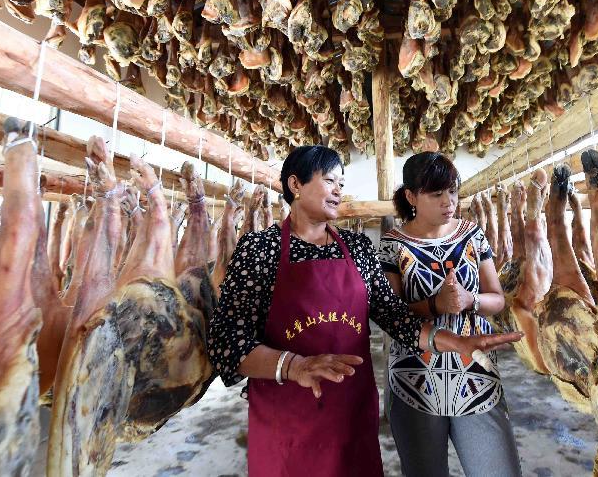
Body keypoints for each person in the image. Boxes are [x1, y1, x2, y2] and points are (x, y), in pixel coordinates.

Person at [207, 146, 522, 477]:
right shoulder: (260, 250)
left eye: (341, 182)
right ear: (295, 185)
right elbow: (227, 343)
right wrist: (294, 366)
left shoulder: (357, 250)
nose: (338, 190)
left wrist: (453, 342)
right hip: (288, 420)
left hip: (350, 412)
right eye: (329, 180)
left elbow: (394, 316)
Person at [378, 152, 523, 477]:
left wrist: (471, 299)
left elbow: (497, 299)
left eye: (453, 191)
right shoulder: (391, 245)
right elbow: (388, 311)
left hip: (476, 378)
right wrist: (435, 305)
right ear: (412, 196)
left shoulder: (472, 235)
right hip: (415, 381)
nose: (449, 201)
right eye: (437, 194)